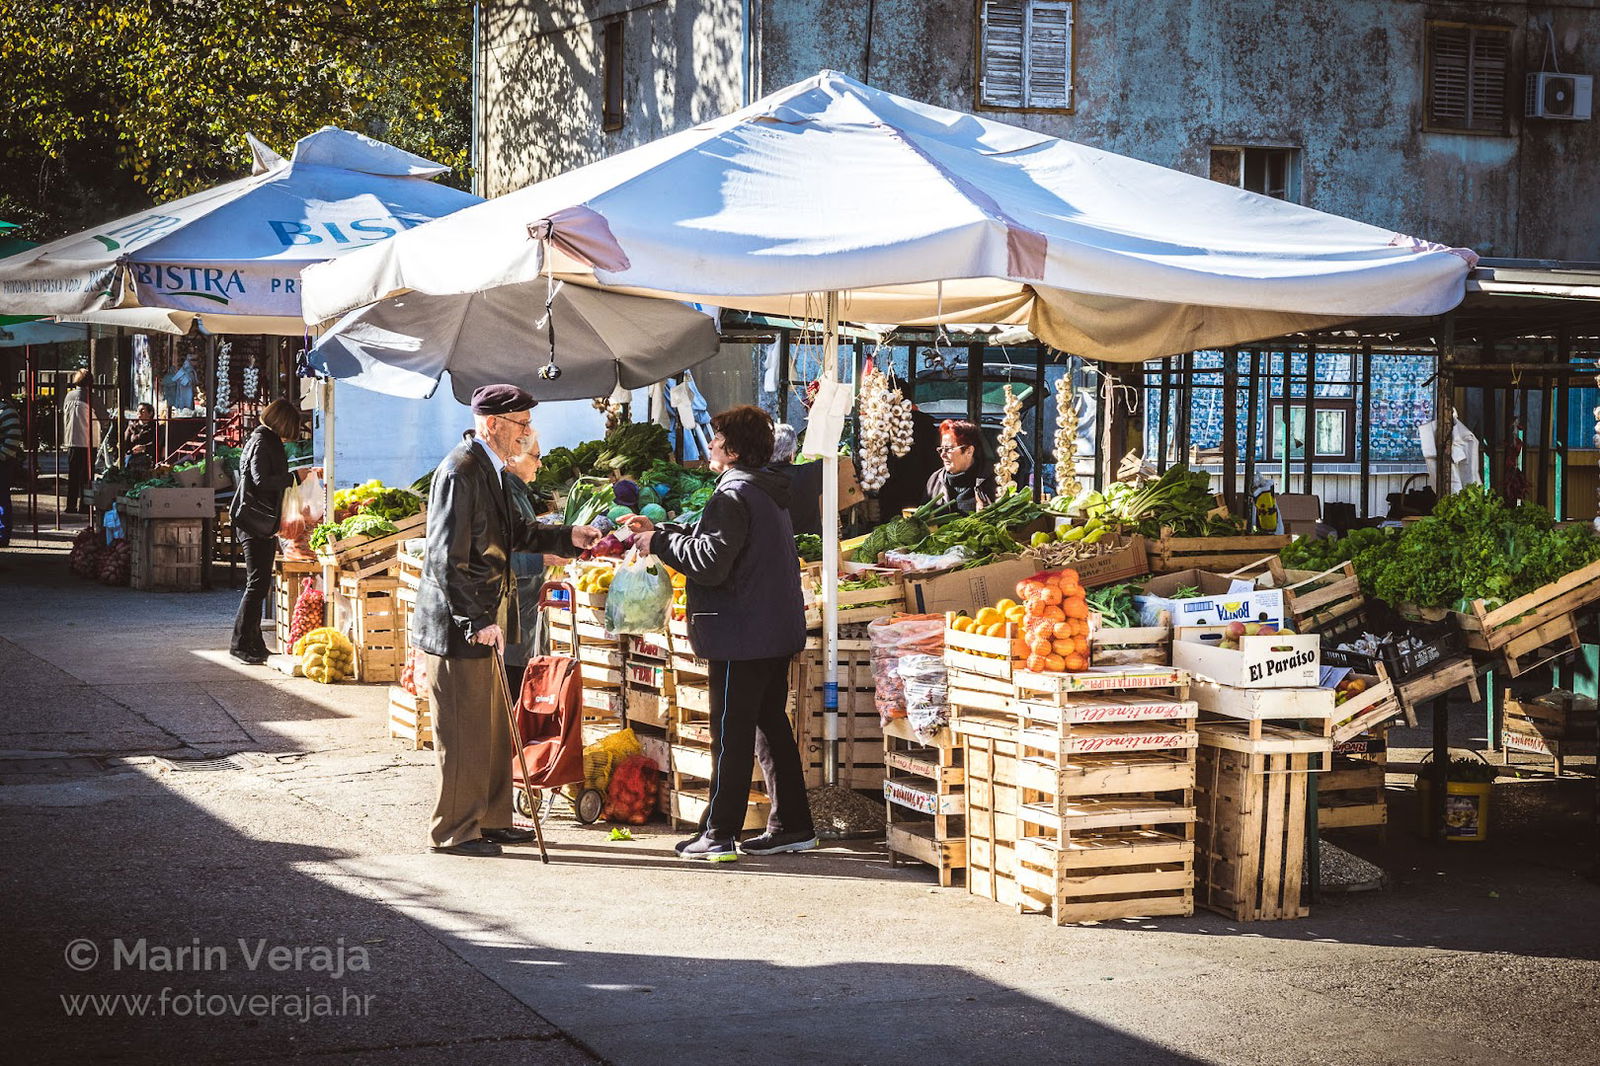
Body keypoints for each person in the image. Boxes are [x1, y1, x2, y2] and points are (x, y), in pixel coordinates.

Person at [412, 384, 600, 858]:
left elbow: (514, 531)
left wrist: (568, 534)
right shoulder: (460, 471)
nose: (528, 433)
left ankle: (493, 818)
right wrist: (474, 619)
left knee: (493, 727)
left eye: (529, 423)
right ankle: (455, 830)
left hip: (487, 614)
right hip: (461, 624)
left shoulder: (487, 468)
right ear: (492, 424)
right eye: (521, 423)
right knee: (463, 731)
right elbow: (444, 556)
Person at [624, 405, 816, 862]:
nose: (709, 445)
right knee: (770, 727)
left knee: (731, 731)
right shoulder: (762, 488)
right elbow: (715, 539)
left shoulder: (733, 493)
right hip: (769, 631)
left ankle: (720, 831)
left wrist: (660, 544)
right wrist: (663, 531)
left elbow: (710, 563)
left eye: (715, 439)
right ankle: (793, 824)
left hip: (742, 635)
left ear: (730, 448)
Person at [228, 400, 302, 665]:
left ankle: (255, 643)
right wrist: (295, 477)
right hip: (254, 523)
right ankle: (239, 644)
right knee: (256, 584)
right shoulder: (263, 441)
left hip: (259, 522)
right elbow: (261, 479)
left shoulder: (262, 438)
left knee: (259, 584)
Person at [60, 369, 108, 514]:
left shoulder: (68, 396)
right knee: (87, 476)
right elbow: (104, 418)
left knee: (73, 474)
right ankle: (85, 505)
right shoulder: (91, 397)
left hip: (71, 439)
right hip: (88, 440)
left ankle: (70, 504)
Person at [925, 419, 996, 514]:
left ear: (969, 451)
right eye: (941, 449)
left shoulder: (992, 480)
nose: (942, 455)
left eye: (948, 449)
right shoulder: (935, 481)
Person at [766, 422, 823, 538]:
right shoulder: (811, 473)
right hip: (812, 548)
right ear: (792, 453)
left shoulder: (756, 478)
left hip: (774, 547)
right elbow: (833, 463)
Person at [0, 393, 21, 547]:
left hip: (3, 462)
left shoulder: (6, 410)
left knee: (2, 498)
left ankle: (3, 534)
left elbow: (13, 439)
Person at [123, 403, 158, 476]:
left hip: (147, 455)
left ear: (150, 413)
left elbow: (156, 443)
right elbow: (125, 441)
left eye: (142, 411)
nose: (139, 413)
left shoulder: (155, 427)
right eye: (138, 411)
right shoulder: (132, 426)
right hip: (132, 454)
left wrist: (144, 447)